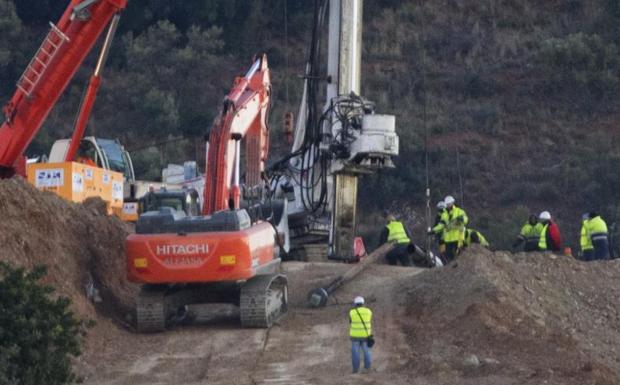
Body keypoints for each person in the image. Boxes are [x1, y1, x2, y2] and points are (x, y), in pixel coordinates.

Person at [431, 195, 468, 263]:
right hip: (448, 239)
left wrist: (462, 219)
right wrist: (433, 230)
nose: (448, 205)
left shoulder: (459, 211)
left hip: (458, 238)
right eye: (447, 204)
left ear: (452, 203)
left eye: (449, 204)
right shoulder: (444, 214)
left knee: (458, 255)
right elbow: (441, 225)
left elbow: (466, 219)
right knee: (449, 256)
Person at [349, 296, 372, 374]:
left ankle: (355, 370)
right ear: (363, 303)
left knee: (355, 353)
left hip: (355, 336)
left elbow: (350, 322)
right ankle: (367, 367)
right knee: (367, 352)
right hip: (366, 336)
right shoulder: (369, 311)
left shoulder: (351, 312)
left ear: (355, 304)